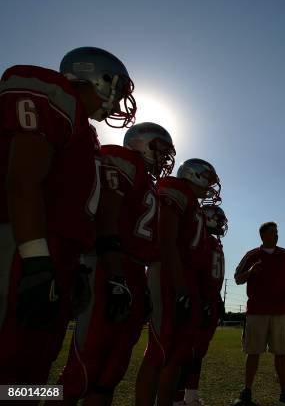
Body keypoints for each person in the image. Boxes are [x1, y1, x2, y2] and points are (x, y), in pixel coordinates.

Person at [0, 46, 136, 389]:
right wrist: (36, 262)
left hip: (57, 254)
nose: (119, 100)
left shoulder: (87, 135)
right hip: (22, 244)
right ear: (96, 77)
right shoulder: (55, 95)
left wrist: (70, 265)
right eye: (117, 87)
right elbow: (23, 179)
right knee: (9, 358)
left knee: (36, 366)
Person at [58, 122, 175, 405]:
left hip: (133, 270)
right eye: (160, 150)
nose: (165, 158)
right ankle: (30, 396)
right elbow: (108, 214)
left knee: (111, 371)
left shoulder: (149, 182)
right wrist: (115, 275)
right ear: (141, 143)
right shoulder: (123, 160)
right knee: (83, 368)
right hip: (108, 265)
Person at [135, 158, 220, 406]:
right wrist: (180, 287)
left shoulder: (193, 205)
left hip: (186, 278)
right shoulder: (175, 189)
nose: (210, 188)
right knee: (159, 351)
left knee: (177, 354)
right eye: (208, 181)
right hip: (171, 274)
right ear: (194, 175)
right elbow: (166, 239)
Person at [233, 222, 285, 406]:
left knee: (281, 353)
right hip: (256, 312)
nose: (277, 235)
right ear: (263, 235)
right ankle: (246, 392)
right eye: (273, 232)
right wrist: (250, 271)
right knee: (253, 352)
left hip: (280, 312)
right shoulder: (251, 255)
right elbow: (237, 279)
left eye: (277, 232)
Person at [174, 205, 228, 406]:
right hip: (200, 299)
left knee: (198, 354)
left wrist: (216, 300)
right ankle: (177, 398)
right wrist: (202, 298)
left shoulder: (213, 243)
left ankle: (191, 395)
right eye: (219, 219)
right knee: (187, 353)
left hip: (210, 300)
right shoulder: (201, 241)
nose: (222, 223)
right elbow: (195, 272)